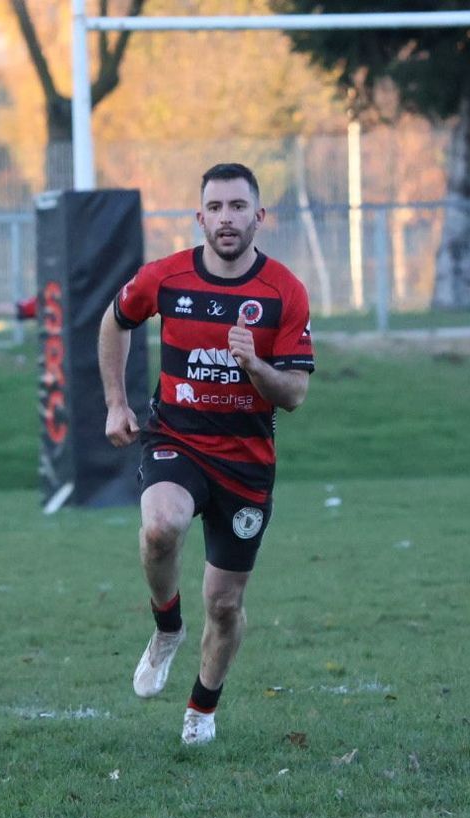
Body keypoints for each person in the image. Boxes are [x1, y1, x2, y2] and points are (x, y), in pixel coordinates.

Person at [99, 162, 314, 746]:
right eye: (215, 208)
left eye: (237, 207)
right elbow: (114, 321)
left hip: (246, 462)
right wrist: (117, 403)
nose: (226, 218)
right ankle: (166, 626)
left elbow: (294, 393)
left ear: (258, 216)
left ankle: (201, 709)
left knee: (224, 604)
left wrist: (254, 365)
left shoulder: (284, 292)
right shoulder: (166, 277)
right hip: (177, 439)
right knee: (160, 528)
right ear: (199, 217)